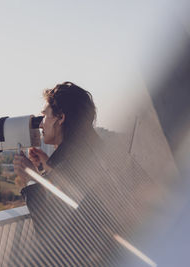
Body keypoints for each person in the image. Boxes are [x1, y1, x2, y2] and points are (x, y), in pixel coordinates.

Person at [11, 82, 144, 266]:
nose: (41, 123)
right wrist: (45, 169)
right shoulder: (97, 154)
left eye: (44, 115)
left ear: (61, 118)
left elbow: (53, 229)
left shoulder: (71, 163)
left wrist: (32, 177)